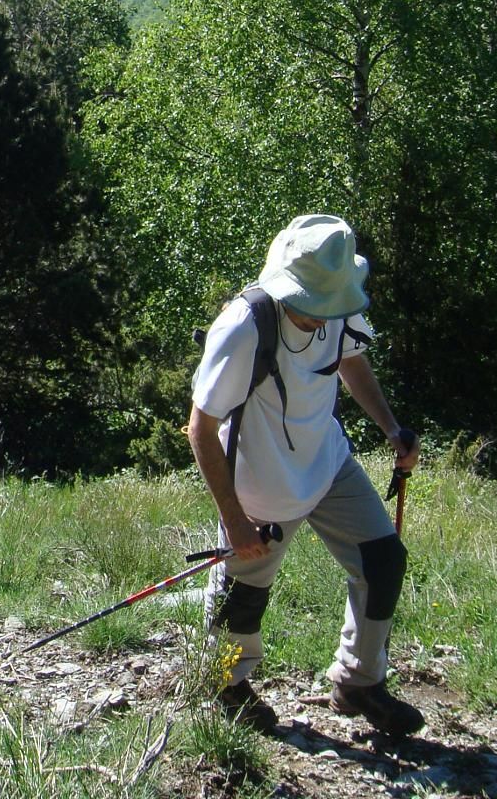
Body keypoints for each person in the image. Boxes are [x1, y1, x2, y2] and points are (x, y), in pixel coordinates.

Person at [188, 214, 423, 737]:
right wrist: (234, 519)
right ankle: (227, 687)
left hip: (328, 462)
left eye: (327, 305)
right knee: (241, 597)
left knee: (383, 561)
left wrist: (391, 428)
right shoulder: (245, 326)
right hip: (260, 483)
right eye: (310, 305)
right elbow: (201, 428)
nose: (320, 317)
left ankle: (359, 681)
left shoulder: (340, 307)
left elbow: (351, 362)